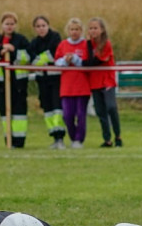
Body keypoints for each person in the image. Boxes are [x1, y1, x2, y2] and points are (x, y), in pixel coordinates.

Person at [0, 12, 31, 148]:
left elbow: (27, 57)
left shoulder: (21, 40)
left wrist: (13, 51)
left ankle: (19, 141)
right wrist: (0, 51)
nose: (9, 26)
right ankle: (8, 140)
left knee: (19, 114)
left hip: (19, 84)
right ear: (2, 25)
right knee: (5, 114)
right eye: (7, 24)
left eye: (12, 24)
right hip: (1, 84)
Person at [28, 15, 68, 150]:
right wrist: (41, 60)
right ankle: (53, 136)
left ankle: (60, 136)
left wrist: (40, 59)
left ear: (48, 25)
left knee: (57, 108)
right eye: (38, 26)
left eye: (43, 25)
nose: (41, 29)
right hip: (42, 80)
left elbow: (54, 54)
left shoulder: (55, 37)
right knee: (47, 109)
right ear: (34, 28)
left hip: (55, 79)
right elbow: (31, 59)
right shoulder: (34, 42)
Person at [84, 17, 122, 148]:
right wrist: (89, 44)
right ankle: (107, 139)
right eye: (90, 28)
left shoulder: (106, 44)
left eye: (95, 28)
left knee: (111, 107)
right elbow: (88, 60)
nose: (93, 31)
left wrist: (87, 63)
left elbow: (95, 61)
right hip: (94, 81)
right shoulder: (88, 44)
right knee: (100, 111)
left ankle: (118, 136)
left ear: (102, 30)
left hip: (107, 81)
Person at [54, 18, 90, 148]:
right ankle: (73, 136)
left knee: (81, 115)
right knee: (67, 115)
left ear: (81, 31)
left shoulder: (86, 45)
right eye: (72, 29)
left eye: (77, 29)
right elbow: (56, 61)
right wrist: (65, 60)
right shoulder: (63, 44)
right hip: (67, 87)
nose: (74, 32)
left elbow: (88, 63)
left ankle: (79, 140)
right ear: (68, 31)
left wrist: (75, 59)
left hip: (82, 86)